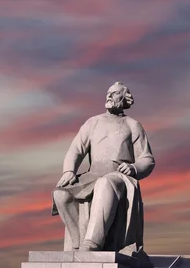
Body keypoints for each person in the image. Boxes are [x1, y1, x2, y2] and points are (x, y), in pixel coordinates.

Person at [51, 82, 155, 254]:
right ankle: (79, 244)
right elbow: (76, 149)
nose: (109, 96)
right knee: (60, 194)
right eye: (108, 93)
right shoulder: (93, 123)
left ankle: (93, 243)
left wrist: (134, 168)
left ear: (124, 98)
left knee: (105, 183)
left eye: (114, 93)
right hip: (92, 174)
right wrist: (69, 170)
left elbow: (147, 159)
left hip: (119, 175)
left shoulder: (132, 125)